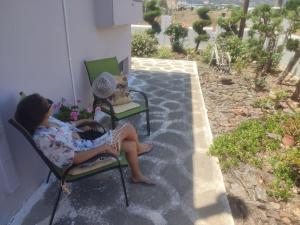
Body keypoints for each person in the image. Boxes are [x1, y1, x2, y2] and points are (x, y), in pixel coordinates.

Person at [15, 93, 154, 185]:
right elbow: (75, 159)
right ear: (40, 113)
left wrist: (83, 121)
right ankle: (140, 148)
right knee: (127, 127)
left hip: (87, 145)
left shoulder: (47, 122)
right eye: (47, 104)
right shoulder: (45, 139)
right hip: (88, 157)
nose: (50, 104)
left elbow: (66, 127)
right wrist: (104, 148)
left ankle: (136, 175)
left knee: (129, 145)